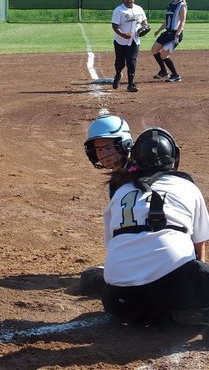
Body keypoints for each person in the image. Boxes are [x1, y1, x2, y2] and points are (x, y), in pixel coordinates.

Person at [100, 127, 209, 349]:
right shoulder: (187, 186)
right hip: (171, 280)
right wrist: (199, 291)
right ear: (173, 158)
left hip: (117, 299)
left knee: (149, 305)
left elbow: (113, 245)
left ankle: (168, 315)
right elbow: (199, 249)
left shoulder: (120, 191)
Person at [80, 112, 134, 294]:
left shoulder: (126, 179)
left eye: (109, 147)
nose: (104, 154)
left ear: (124, 144)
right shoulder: (129, 170)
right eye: (99, 149)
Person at [111, 0, 148, 92]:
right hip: (120, 41)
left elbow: (144, 21)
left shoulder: (139, 9)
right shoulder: (119, 10)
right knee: (120, 62)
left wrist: (146, 28)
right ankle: (118, 74)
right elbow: (115, 26)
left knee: (132, 62)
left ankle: (130, 84)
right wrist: (122, 34)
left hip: (134, 40)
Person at [151, 0, 187, 82]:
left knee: (164, 55)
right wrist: (159, 30)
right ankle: (163, 71)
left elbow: (182, 22)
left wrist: (177, 34)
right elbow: (167, 20)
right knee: (154, 50)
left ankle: (175, 75)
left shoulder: (182, 6)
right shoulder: (170, 4)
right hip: (167, 33)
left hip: (175, 33)